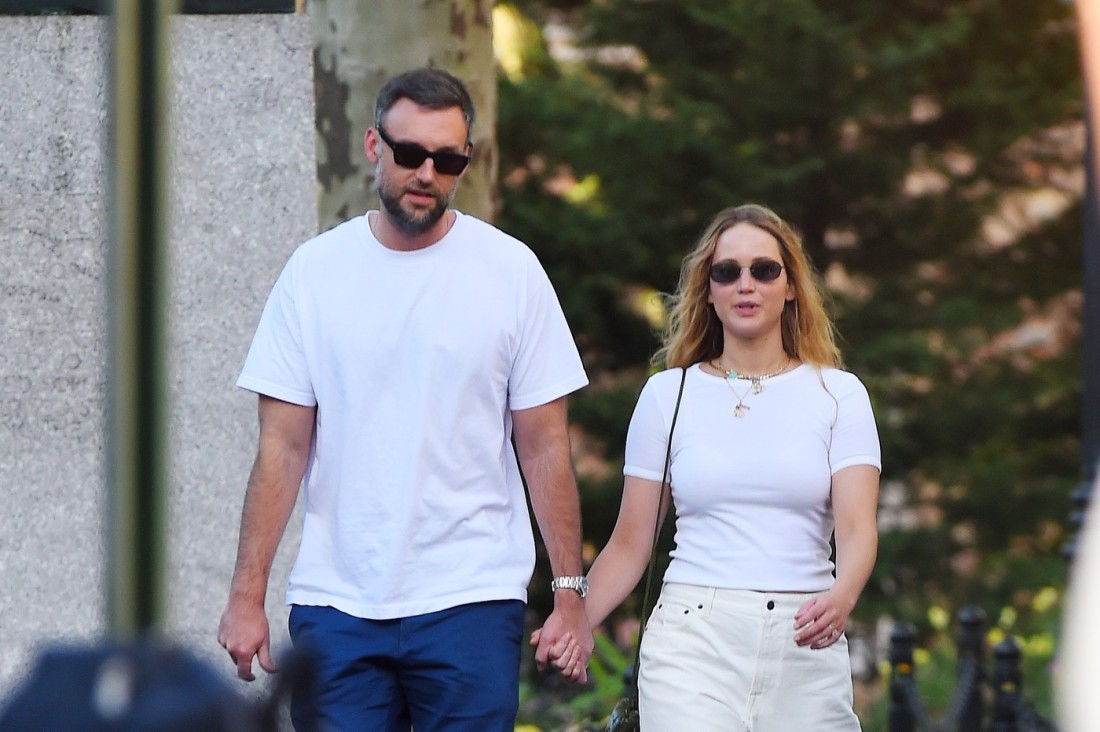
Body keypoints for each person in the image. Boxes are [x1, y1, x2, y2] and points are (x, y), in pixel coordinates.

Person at [217, 67, 593, 732]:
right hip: (338, 603)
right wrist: (247, 595)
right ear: (373, 145)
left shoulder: (511, 272)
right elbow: (282, 446)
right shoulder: (314, 273)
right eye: (410, 152)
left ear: (466, 160)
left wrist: (569, 596)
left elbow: (544, 447)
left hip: (473, 597)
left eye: (447, 160)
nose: (426, 173)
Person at [541, 203, 880, 730]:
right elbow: (631, 543)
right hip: (693, 638)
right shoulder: (668, 395)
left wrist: (843, 596)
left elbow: (858, 528)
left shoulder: (839, 396)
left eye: (764, 270)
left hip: (805, 640)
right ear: (709, 290)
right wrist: (574, 621)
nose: (746, 285)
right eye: (727, 272)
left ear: (791, 286)